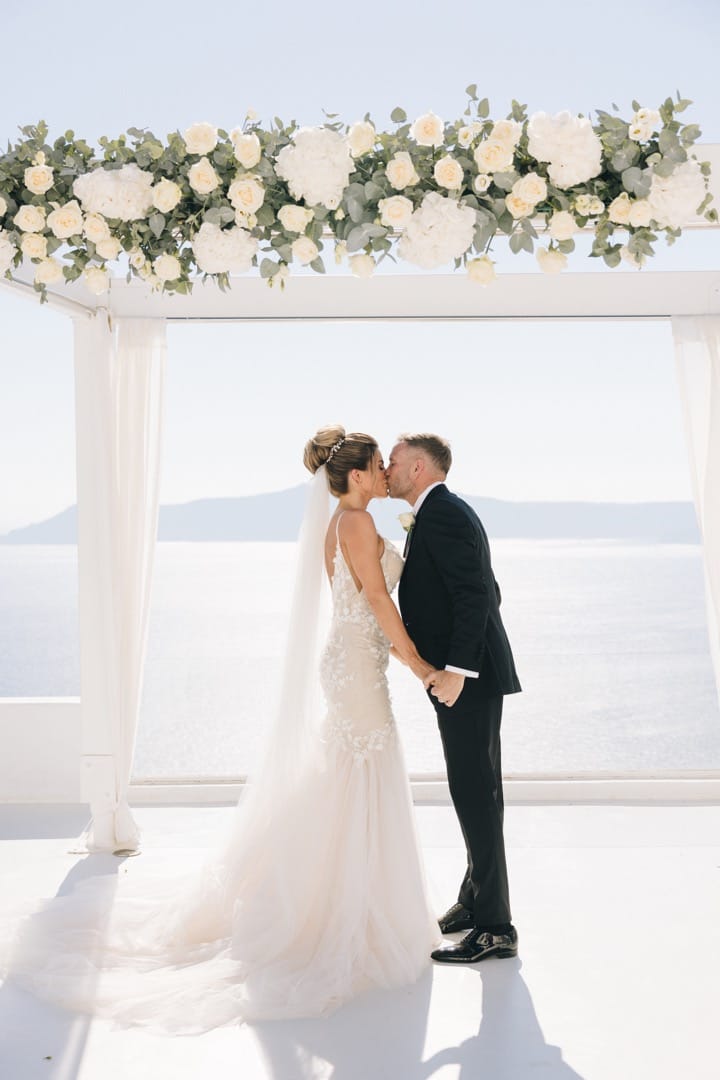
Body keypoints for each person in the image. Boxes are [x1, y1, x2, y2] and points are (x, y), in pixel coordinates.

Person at [0, 425, 439, 1032]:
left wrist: (398, 658)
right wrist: (419, 665)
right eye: (378, 466)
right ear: (358, 475)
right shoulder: (357, 524)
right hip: (356, 672)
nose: (387, 473)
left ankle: (335, 900)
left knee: (350, 780)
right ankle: (345, 914)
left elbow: (361, 610)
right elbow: (378, 602)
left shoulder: (339, 524)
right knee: (362, 775)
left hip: (350, 663)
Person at [385, 433, 522, 965]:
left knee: (477, 795)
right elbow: (486, 587)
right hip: (464, 676)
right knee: (472, 789)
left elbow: (476, 595)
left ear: (418, 467)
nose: (387, 469)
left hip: (470, 678)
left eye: (393, 463)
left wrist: (458, 670)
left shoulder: (443, 513)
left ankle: (495, 927)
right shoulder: (441, 511)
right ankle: (473, 899)